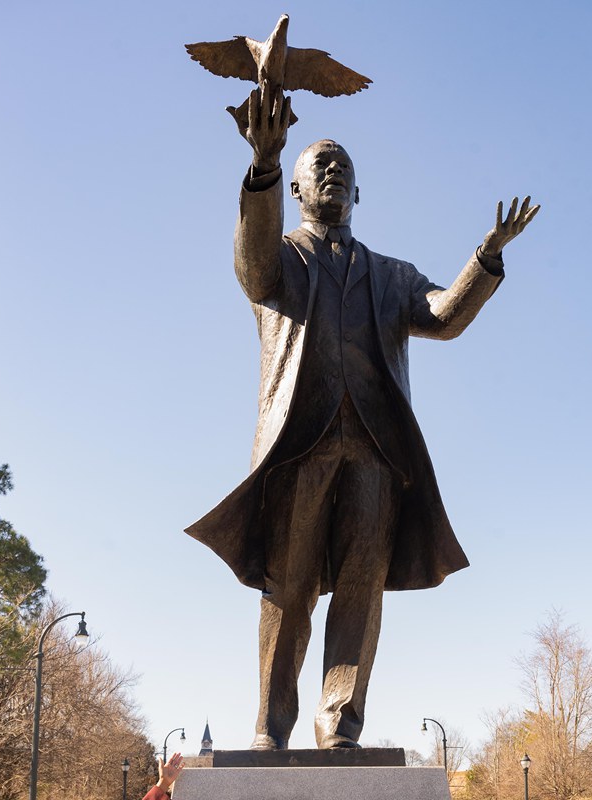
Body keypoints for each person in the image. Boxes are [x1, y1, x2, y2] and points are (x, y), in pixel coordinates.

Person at [186, 86, 539, 751]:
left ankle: (340, 727)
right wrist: (262, 165)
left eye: (342, 166)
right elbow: (253, 268)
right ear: (295, 189)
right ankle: (271, 727)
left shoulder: (390, 273)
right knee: (289, 592)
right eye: (318, 164)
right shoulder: (283, 258)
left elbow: (443, 319)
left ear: (360, 193)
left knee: (358, 592)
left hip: (375, 452)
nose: (332, 171)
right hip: (301, 447)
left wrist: (486, 257)